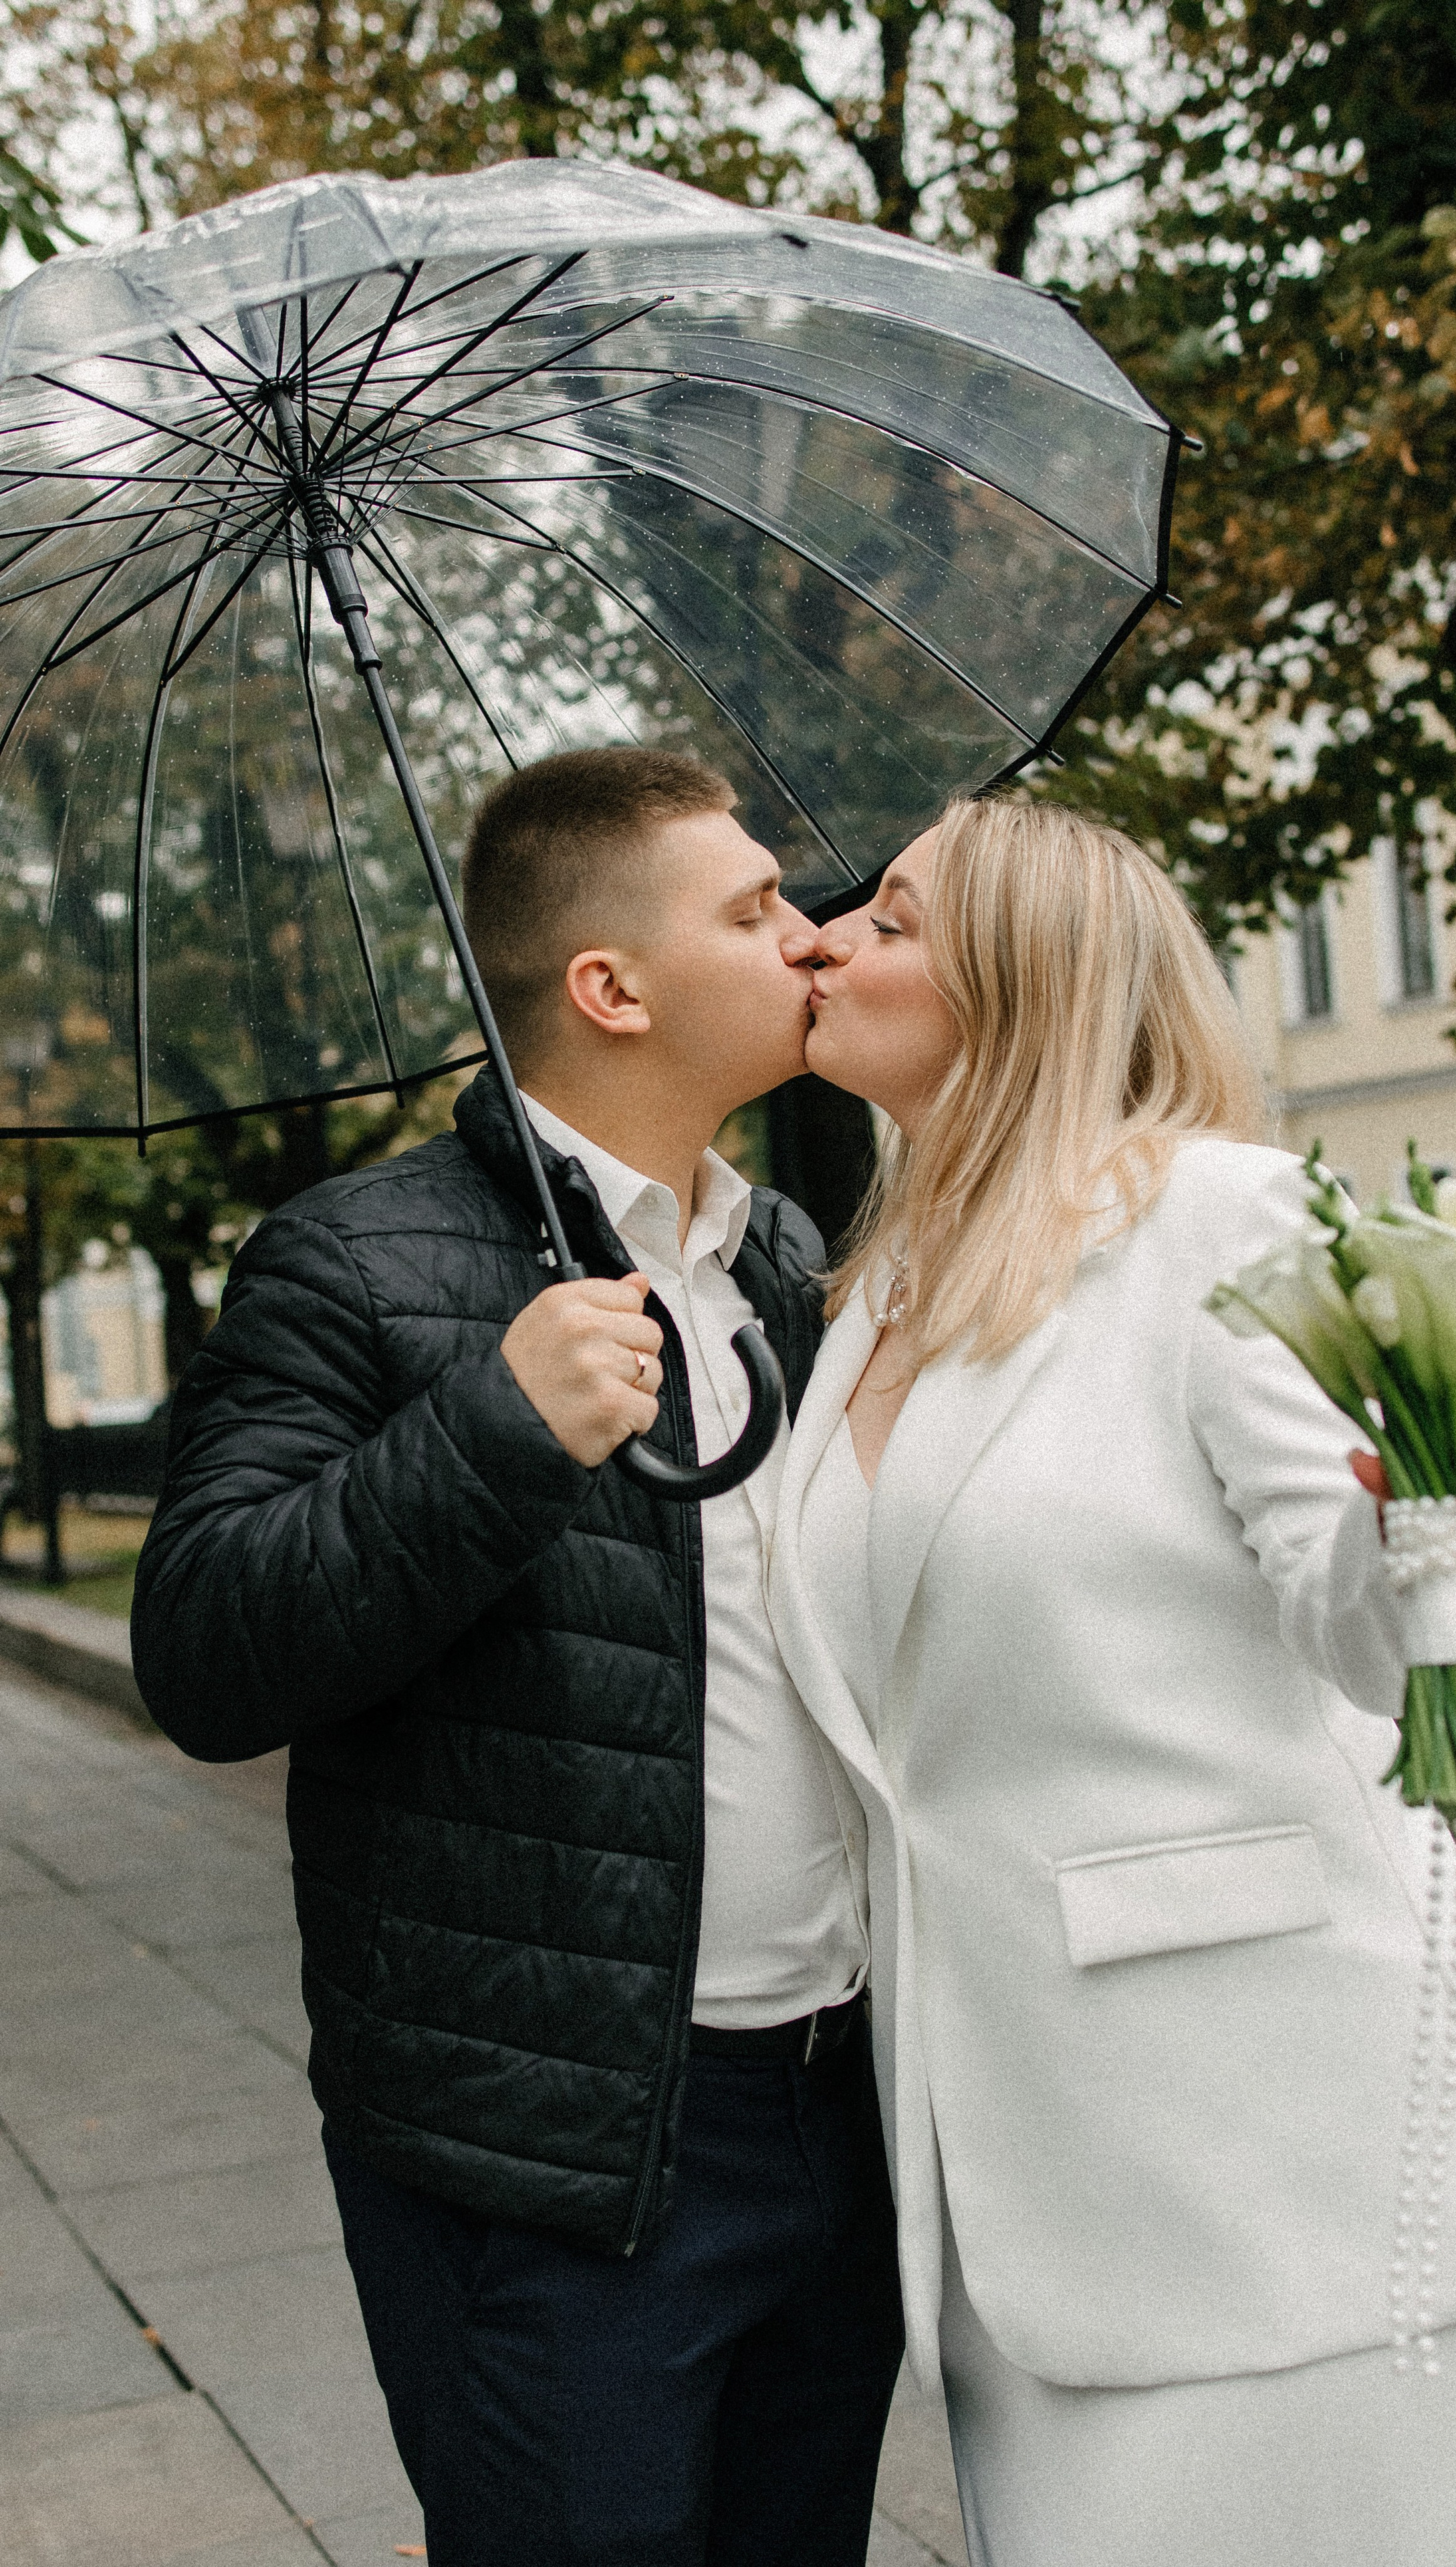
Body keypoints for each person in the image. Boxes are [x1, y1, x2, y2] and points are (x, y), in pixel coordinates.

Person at [764, 796, 1456, 2567]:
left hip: (1277, 2141)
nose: (829, 939)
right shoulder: (868, 1289)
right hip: (1001, 2148)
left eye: (897, 920)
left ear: (1024, 981)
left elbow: (1370, 1622)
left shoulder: (1217, 1223)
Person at [130, 748, 903, 2567]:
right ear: (609, 989)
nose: (807, 941)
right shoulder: (353, 1260)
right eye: (751, 910)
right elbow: (202, 1652)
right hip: (557, 2165)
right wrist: (488, 1426)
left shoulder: (783, 1251)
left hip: (837, 2109)